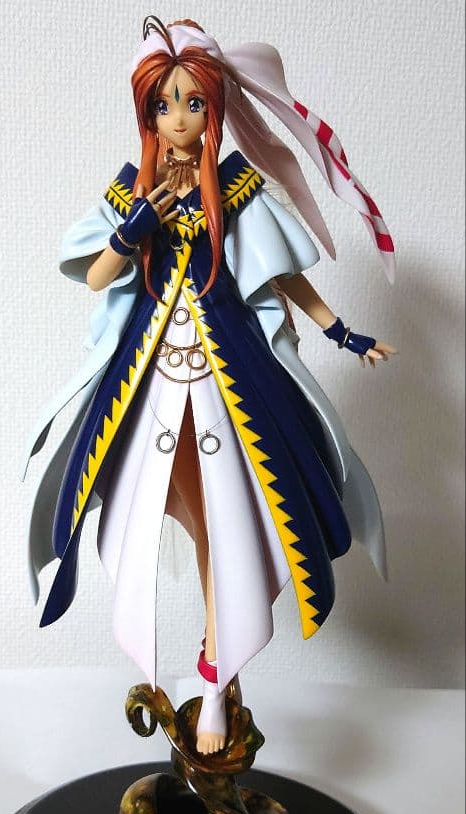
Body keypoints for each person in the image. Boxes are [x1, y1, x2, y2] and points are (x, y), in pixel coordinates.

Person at [22, 16, 396, 756]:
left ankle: (217, 676)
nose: (178, 118)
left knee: (234, 525)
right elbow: (94, 276)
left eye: (192, 103)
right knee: (161, 514)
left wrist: (341, 332)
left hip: (231, 384)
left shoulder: (237, 187)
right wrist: (131, 232)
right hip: (148, 386)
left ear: (214, 109)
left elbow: (280, 276)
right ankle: (202, 666)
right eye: (162, 104)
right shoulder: (132, 190)